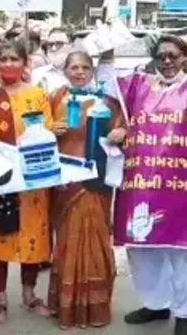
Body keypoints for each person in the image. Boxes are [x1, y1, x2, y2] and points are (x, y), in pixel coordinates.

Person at [102, 35, 187, 335]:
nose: (167, 61)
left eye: (173, 55)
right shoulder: (137, 86)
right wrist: (119, 126)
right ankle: (156, 303)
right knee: (142, 249)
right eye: (162, 55)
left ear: (185, 57)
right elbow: (106, 89)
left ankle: (186, 314)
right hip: (144, 186)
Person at [46, 51, 126, 329]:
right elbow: (35, 134)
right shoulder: (55, 98)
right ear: (65, 70)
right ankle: (66, 308)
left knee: (96, 241)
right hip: (65, 182)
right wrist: (48, 129)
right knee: (67, 242)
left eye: (84, 67)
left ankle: (96, 308)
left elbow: (125, 129)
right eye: (73, 67)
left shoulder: (108, 101)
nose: (79, 72)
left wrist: (121, 134)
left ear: (92, 70)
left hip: (96, 182)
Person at [0, 40, 53, 324]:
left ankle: (30, 296)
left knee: (34, 239)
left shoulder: (38, 95)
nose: (8, 64)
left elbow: (46, 133)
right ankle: (0, 299)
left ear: (24, 64)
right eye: (3, 59)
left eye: (13, 59)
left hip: (32, 181)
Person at [31, 28, 72, 92]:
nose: (53, 48)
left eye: (59, 44)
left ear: (71, 46)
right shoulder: (36, 74)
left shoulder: (82, 73)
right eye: (50, 44)